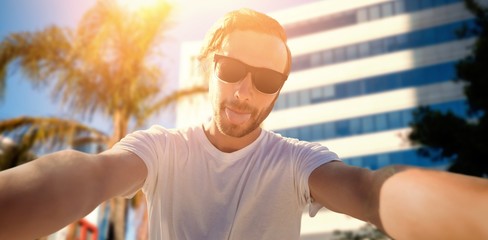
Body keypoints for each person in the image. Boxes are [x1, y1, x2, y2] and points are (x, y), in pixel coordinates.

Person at [1, 8, 487, 240]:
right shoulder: (163, 148)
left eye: (267, 79)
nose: (243, 92)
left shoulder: (296, 160)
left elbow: (369, 193)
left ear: (279, 88)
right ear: (207, 68)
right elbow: (91, 174)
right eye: (231, 71)